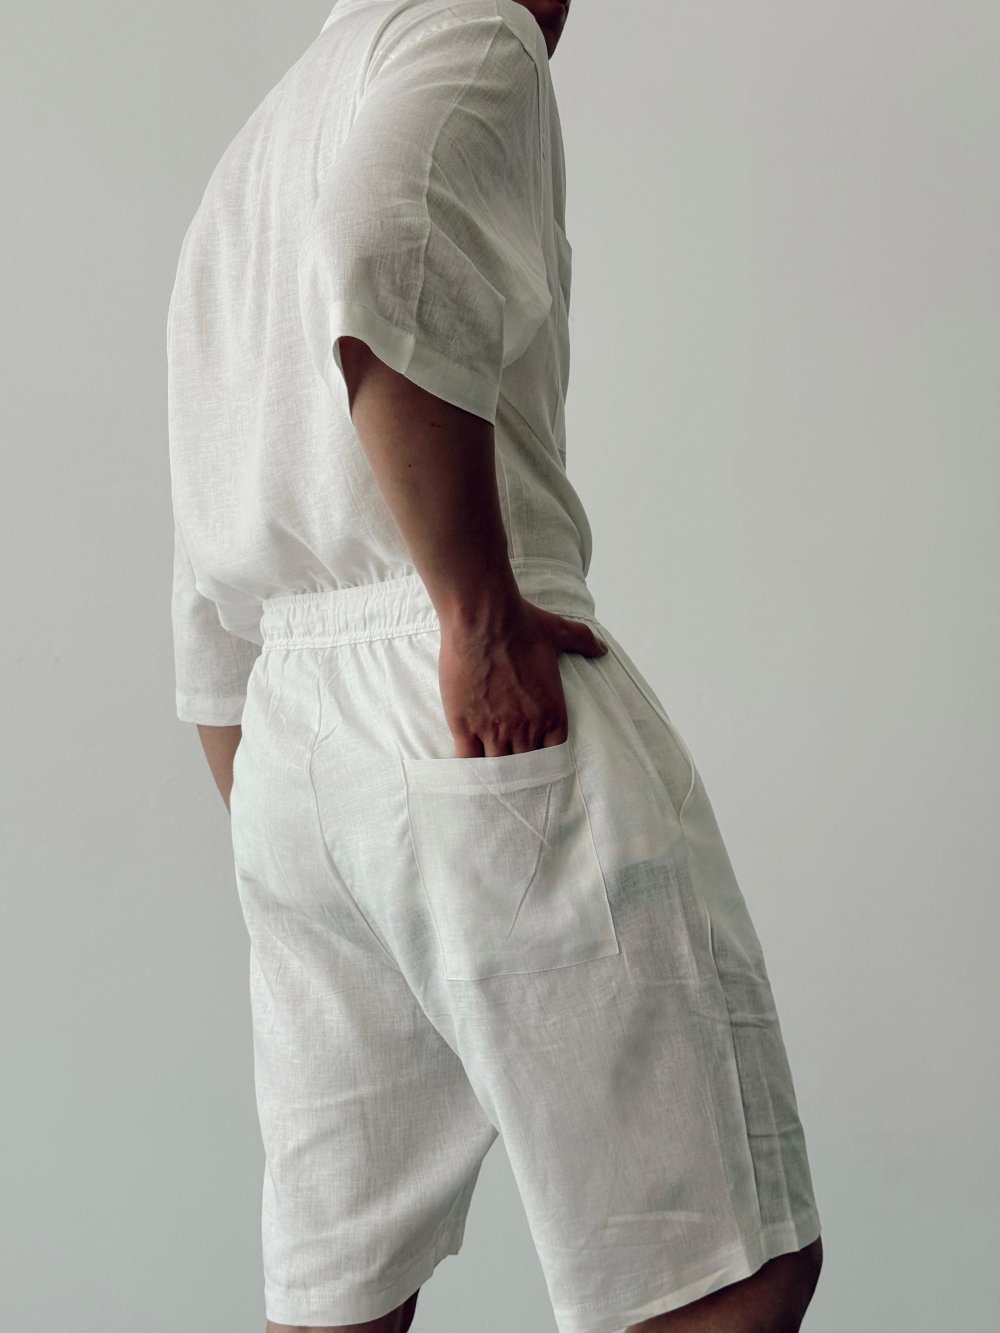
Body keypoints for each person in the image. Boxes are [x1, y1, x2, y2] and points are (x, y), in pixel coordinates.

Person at [167, 2, 824, 1330]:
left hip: (289, 750)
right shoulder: (473, 34)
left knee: (342, 1289)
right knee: (719, 1267)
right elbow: (376, 243)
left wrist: (290, 811)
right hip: (460, 702)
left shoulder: (259, 146)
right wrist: (475, 616)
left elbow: (204, 553)